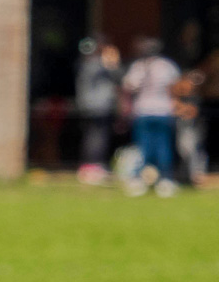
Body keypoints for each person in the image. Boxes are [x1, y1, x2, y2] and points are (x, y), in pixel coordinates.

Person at [122, 37, 180, 196]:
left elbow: (128, 86)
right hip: (162, 111)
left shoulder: (138, 66)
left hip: (143, 111)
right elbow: (175, 87)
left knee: (143, 147)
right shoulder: (167, 66)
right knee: (162, 147)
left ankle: (138, 180)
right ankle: (165, 180)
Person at [74, 38, 122, 184]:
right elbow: (118, 76)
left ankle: (88, 166)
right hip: (100, 107)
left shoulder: (82, 64)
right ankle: (94, 166)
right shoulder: (99, 65)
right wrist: (112, 60)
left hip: (86, 106)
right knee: (98, 137)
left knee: (90, 136)